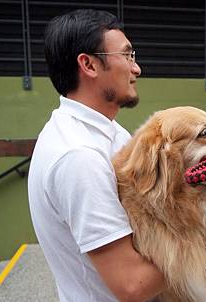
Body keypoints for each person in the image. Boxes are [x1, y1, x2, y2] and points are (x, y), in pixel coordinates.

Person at [28, 9, 165, 301]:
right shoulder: (78, 156)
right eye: (127, 56)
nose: (136, 68)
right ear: (88, 64)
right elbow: (132, 284)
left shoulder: (108, 132)